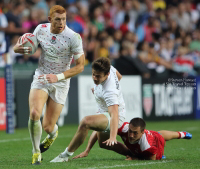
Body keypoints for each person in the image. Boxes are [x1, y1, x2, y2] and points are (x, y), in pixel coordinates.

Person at [13, 5, 85, 165]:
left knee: (48, 126)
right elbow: (27, 47)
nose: (61, 23)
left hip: (61, 81)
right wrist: (19, 49)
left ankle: (52, 135)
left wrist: (58, 76)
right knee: (34, 113)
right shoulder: (40, 29)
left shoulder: (73, 37)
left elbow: (81, 66)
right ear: (50, 19)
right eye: (58, 19)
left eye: (64, 19)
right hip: (42, 76)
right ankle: (36, 152)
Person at [50, 57, 132, 162]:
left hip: (114, 116)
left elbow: (114, 115)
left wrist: (113, 137)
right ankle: (133, 154)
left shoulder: (110, 91)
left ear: (107, 75)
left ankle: (64, 155)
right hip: (106, 112)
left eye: (98, 76)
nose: (94, 78)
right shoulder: (109, 68)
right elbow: (119, 77)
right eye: (93, 74)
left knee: (86, 122)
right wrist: (100, 90)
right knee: (103, 143)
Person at [73, 117, 192, 160]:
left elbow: (152, 158)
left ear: (142, 132)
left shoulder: (147, 145)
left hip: (154, 148)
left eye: (135, 133)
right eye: (130, 131)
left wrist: (135, 158)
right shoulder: (124, 128)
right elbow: (100, 129)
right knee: (104, 143)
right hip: (138, 144)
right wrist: (87, 150)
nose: (131, 135)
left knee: (160, 136)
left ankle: (181, 134)